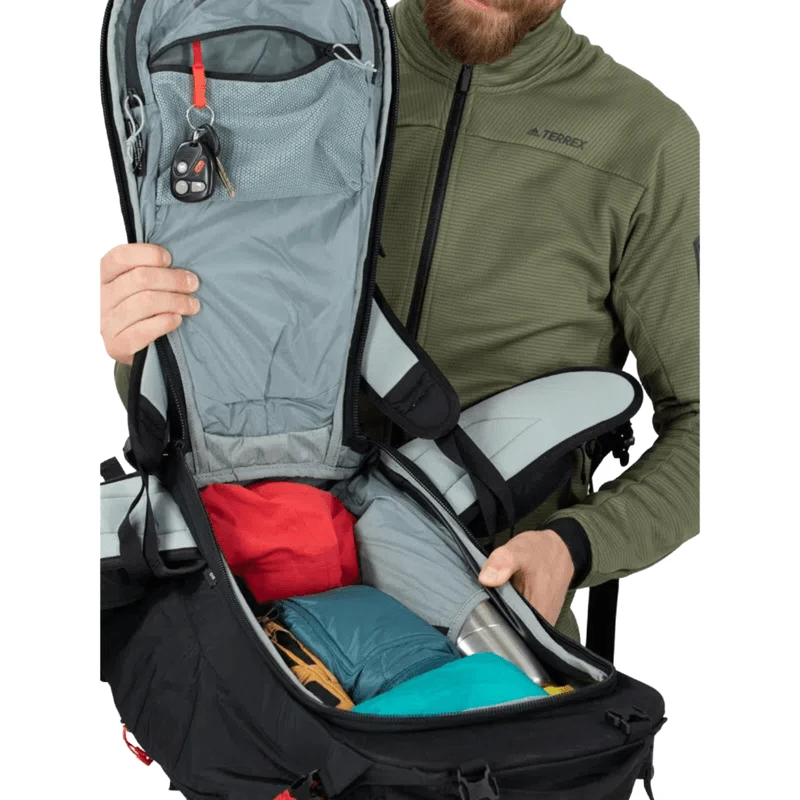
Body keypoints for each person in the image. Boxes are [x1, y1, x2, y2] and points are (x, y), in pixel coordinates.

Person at [100, 0, 699, 643]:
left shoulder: (645, 142)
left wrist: (575, 544)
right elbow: (197, 390)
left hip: (485, 622)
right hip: (248, 595)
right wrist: (140, 347)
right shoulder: (303, 69)